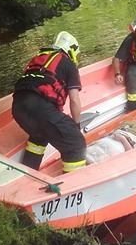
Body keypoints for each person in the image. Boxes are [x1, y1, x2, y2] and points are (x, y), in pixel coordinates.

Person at [12, 31, 86, 173]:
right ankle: (72, 183)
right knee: (75, 142)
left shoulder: (39, 59)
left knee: (39, 136)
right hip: (40, 108)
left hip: (18, 108)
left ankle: (27, 175)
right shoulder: (69, 65)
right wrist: (76, 126)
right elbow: (74, 101)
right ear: (72, 51)